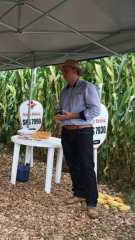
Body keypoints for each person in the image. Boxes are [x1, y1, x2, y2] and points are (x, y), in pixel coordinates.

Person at [54, 59, 101, 219]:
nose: (63, 73)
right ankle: (79, 193)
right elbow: (61, 110)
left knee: (86, 166)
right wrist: (58, 116)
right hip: (67, 131)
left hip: (83, 132)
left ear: (75, 71)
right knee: (73, 164)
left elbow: (96, 110)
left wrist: (73, 116)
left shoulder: (87, 87)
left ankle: (92, 203)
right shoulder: (64, 91)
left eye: (66, 70)